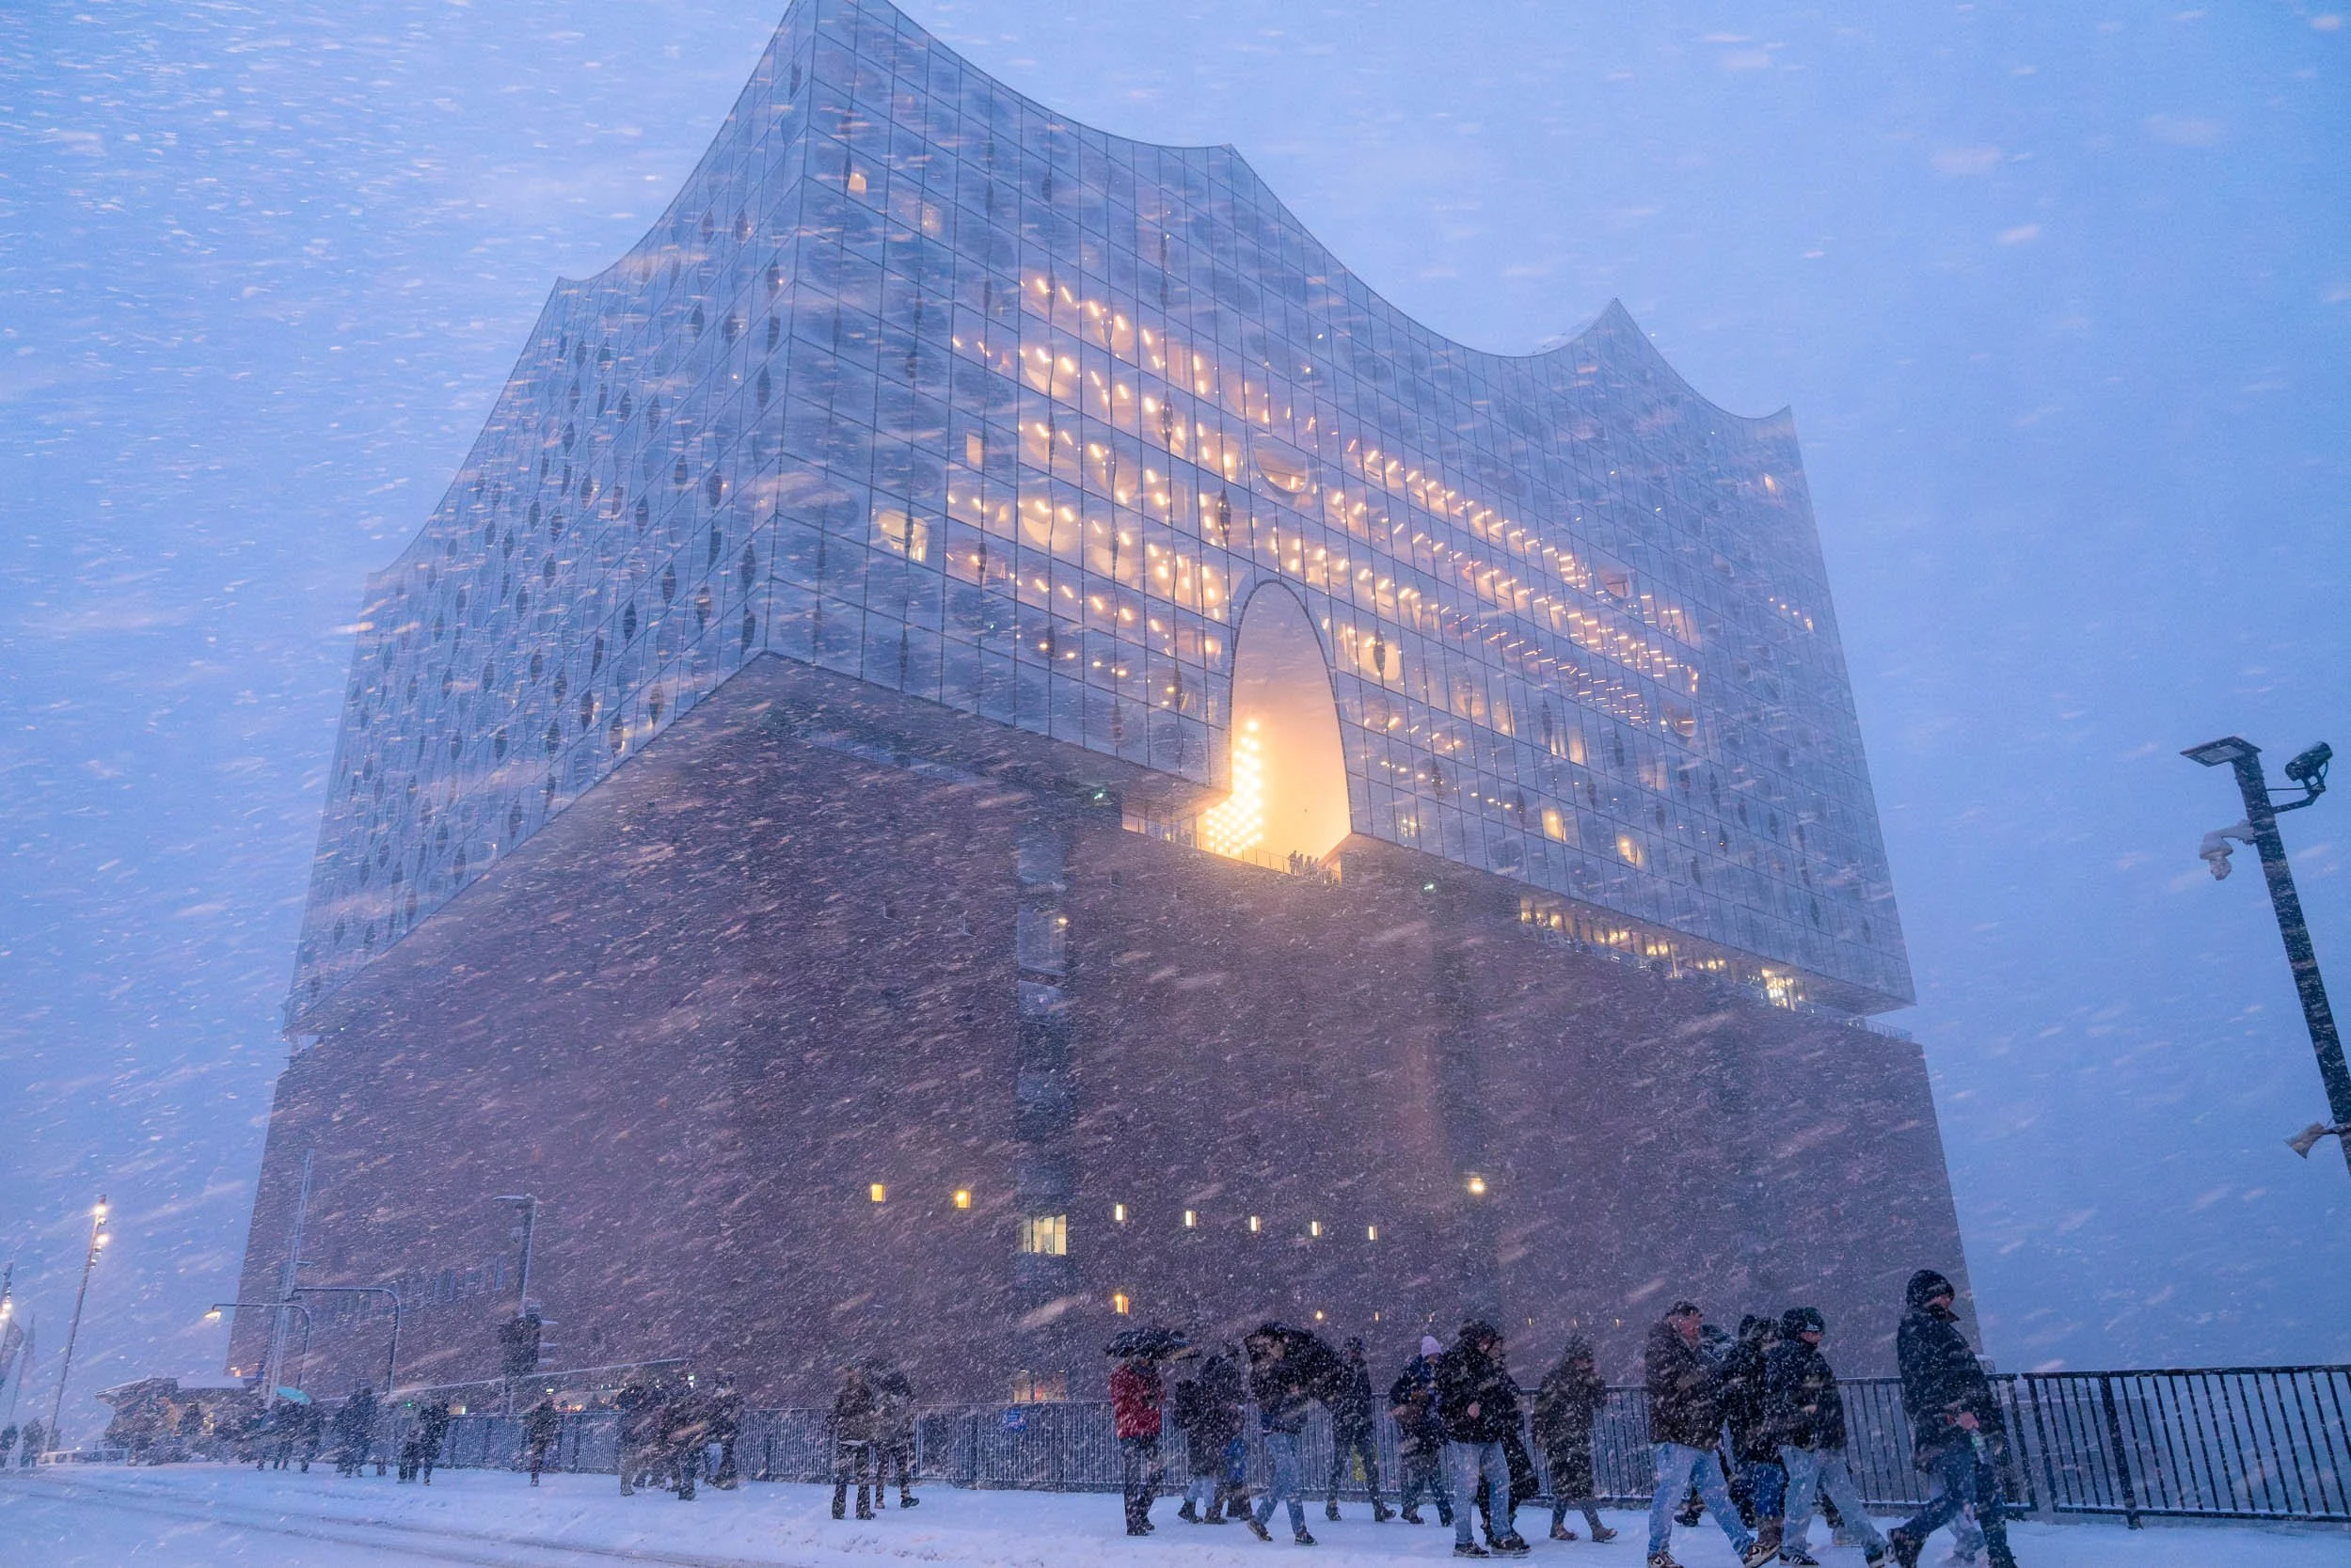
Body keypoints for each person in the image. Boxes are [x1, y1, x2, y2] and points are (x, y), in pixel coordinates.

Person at [1888, 1272, 2016, 1568]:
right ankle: (1909, 1534)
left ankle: (2000, 1555)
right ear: (1924, 1296)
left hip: (1969, 1424)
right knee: (1964, 1494)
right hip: (1949, 1427)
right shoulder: (1919, 1329)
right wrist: (1956, 1413)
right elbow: (1925, 1382)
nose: (1947, 1299)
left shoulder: (1936, 1327)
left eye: (1948, 1294)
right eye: (1940, 1293)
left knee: (1987, 1491)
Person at [1644, 1302, 1771, 1568]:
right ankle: (1656, 1553)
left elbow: (1714, 1375)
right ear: (1676, 1320)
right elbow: (1670, 1389)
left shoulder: (1692, 1348)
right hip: (1678, 1436)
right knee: (1670, 1496)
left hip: (1700, 1436)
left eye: (1699, 1324)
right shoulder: (1662, 1347)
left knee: (1717, 1496)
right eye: (1693, 1323)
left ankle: (1746, 1549)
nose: (1697, 1329)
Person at [1768, 1307, 1887, 1566]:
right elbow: (1788, 1399)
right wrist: (1807, 1428)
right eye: (1813, 1331)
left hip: (1817, 1439)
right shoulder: (1792, 1357)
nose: (1819, 1336)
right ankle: (1793, 1550)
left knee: (1830, 1495)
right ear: (1799, 1331)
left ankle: (1874, 1546)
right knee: (1811, 1495)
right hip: (1806, 1441)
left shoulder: (1800, 1356)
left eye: (1819, 1331)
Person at [1433, 1318, 1530, 1559]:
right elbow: (1447, 1393)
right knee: (1470, 1487)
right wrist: (1468, 1403)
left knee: (1498, 1481)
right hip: (1469, 1433)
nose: (1488, 1345)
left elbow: (1495, 1388)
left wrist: (1500, 1406)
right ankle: (1466, 1540)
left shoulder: (1480, 1360)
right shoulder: (1458, 1360)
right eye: (1485, 1341)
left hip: (1486, 1431)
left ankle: (1499, 1534)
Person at [1533, 1335, 1616, 1543]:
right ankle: (1593, 1527)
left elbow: (1600, 1401)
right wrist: (1540, 1431)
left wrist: (1595, 1382)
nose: (1586, 1362)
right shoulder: (1556, 1378)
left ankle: (1559, 1526)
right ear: (1574, 1358)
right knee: (1574, 1482)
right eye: (1583, 1358)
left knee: (1572, 1483)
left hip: (1575, 1436)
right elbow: (1542, 1408)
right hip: (1560, 1437)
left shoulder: (1582, 1379)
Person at [1243, 1323, 1318, 1544]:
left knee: (1283, 1478)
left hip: (1288, 1427)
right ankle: (1300, 1531)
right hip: (1277, 1429)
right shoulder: (1266, 1371)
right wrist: (1289, 1393)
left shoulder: (1284, 1368)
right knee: (1291, 1478)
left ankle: (1259, 1520)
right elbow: (1268, 1400)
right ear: (1270, 1346)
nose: (1283, 1347)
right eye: (1279, 1344)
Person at [1724, 1315, 1787, 1555]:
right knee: (1769, 1477)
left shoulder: (1738, 1358)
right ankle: (1770, 1531)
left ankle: (1767, 1527)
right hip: (1759, 1429)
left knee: (1761, 1476)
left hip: (1748, 1430)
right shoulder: (1756, 1361)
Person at [1325, 1336, 1392, 1522]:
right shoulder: (1349, 1368)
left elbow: (1358, 1395)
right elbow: (1359, 1395)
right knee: (1363, 1465)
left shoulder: (1347, 1368)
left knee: (1349, 1465)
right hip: (1353, 1422)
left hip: (1351, 1423)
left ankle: (1334, 1504)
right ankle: (1376, 1506)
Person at [1390, 1336, 1454, 1528]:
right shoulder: (1416, 1372)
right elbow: (1397, 1393)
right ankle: (1444, 1512)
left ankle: (1412, 1507)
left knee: (1425, 1471)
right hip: (1421, 1427)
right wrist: (1415, 1397)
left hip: (1425, 1427)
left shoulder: (1419, 1370)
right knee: (1431, 1471)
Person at [1172, 1349, 1242, 1524]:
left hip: (1199, 1438)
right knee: (1209, 1475)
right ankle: (1210, 1511)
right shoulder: (1209, 1392)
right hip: (1208, 1438)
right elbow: (1213, 1415)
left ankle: (1188, 1506)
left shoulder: (1200, 1390)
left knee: (1203, 1475)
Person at [1110, 1348, 1166, 1537]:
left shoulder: (1151, 1373)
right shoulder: (1120, 1374)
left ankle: (1140, 1513)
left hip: (1149, 1429)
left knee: (1158, 1473)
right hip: (1130, 1430)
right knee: (1132, 1478)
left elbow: (1161, 1396)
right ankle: (1133, 1522)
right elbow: (1122, 1400)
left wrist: (1154, 1390)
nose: (1146, 1361)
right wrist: (1144, 1395)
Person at [829, 1362, 880, 1520]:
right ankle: (863, 1511)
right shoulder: (866, 1392)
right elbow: (872, 1414)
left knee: (842, 1476)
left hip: (845, 1438)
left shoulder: (843, 1393)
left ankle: (838, 1510)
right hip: (861, 1438)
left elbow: (836, 1412)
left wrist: (836, 1424)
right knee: (863, 1477)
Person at [873, 1361, 918, 1509]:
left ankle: (879, 1498)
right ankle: (904, 1496)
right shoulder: (897, 1399)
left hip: (884, 1437)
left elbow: (880, 1417)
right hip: (895, 1437)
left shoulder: (881, 1397)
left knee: (884, 1467)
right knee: (901, 1467)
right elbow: (904, 1418)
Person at [615, 1372, 659, 1496]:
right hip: (637, 1433)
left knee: (629, 1461)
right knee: (635, 1460)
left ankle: (627, 1484)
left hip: (630, 1433)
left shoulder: (627, 1395)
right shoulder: (643, 1396)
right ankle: (632, 1483)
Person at [707, 1373, 744, 1490]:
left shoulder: (730, 1395)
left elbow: (735, 1411)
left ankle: (727, 1478)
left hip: (727, 1428)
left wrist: (726, 1420)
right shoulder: (731, 1395)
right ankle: (725, 1477)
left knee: (726, 1453)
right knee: (726, 1452)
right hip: (727, 1428)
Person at [333, 1387, 376, 1478]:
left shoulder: (356, 1404)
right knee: (362, 1450)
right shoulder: (369, 1403)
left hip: (353, 1431)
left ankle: (349, 1468)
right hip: (362, 1431)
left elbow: (341, 1416)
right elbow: (371, 1417)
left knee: (352, 1450)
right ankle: (356, 1466)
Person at [523, 1395, 562, 1486]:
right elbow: (555, 1424)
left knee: (536, 1456)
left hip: (537, 1437)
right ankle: (537, 1474)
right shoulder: (551, 1412)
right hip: (545, 1437)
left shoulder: (538, 1411)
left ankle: (534, 1476)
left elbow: (530, 1422)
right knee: (540, 1456)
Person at [414, 1399, 451, 1485]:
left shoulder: (434, 1412)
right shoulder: (441, 1414)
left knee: (427, 1456)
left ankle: (425, 1474)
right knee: (429, 1457)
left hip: (429, 1437)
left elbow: (422, 1417)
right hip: (432, 1438)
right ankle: (425, 1475)